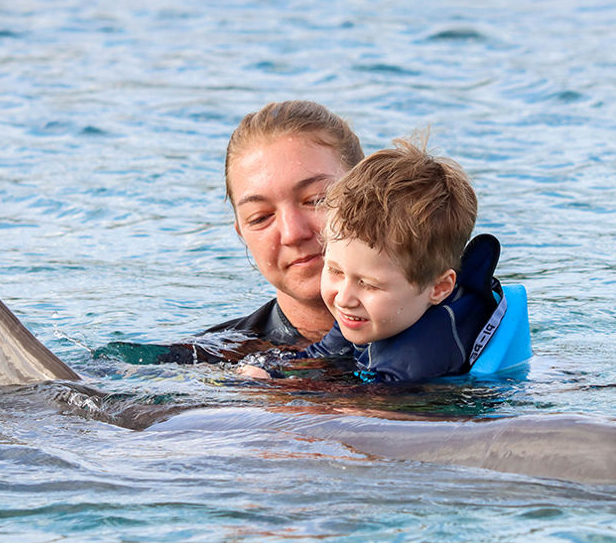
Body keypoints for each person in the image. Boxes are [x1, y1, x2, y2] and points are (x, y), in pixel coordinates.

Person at [242, 139, 504, 383]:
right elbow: (325, 351)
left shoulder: (416, 360)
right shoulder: (366, 309)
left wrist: (276, 392)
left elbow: (368, 405)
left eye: (368, 284)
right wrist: (272, 371)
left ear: (438, 288)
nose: (344, 298)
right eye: (334, 270)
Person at [201, 100, 364, 347]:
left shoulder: (443, 320)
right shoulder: (216, 360)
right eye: (260, 217)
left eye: (317, 200)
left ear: (371, 195)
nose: (292, 233)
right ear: (242, 234)